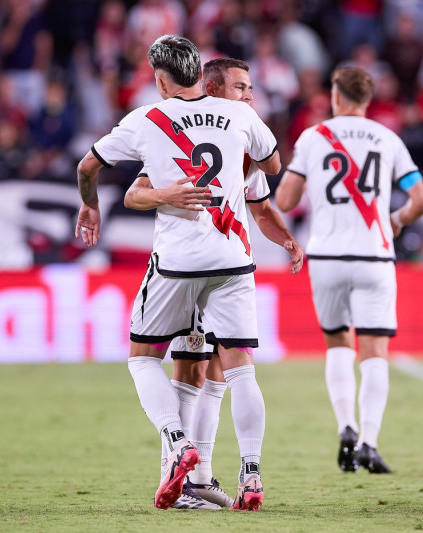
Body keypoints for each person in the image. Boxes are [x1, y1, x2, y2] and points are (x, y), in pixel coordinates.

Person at [76, 35, 282, 511]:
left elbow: (90, 166)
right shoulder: (239, 115)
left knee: (142, 357)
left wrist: (90, 205)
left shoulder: (147, 118)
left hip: (178, 263)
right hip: (233, 260)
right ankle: (250, 473)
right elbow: (272, 162)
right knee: (239, 372)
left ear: (161, 79)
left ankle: (177, 444)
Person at [123, 57, 304, 509]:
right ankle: (190, 477)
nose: (249, 96)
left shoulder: (242, 138)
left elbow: (261, 208)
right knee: (195, 369)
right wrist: (165, 194)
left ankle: (195, 475)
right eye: (241, 87)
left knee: (216, 371)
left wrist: (286, 240)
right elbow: (135, 191)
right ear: (213, 89)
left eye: (249, 87)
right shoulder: (183, 136)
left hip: (213, 269)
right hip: (209, 268)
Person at [275, 66, 423, 474]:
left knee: (338, 344)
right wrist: (396, 221)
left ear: (335, 96)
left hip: (326, 257)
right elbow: (422, 200)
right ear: (367, 99)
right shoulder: (387, 138)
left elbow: (287, 200)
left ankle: (345, 425)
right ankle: (369, 442)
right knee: (375, 351)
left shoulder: (313, 137)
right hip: (374, 257)